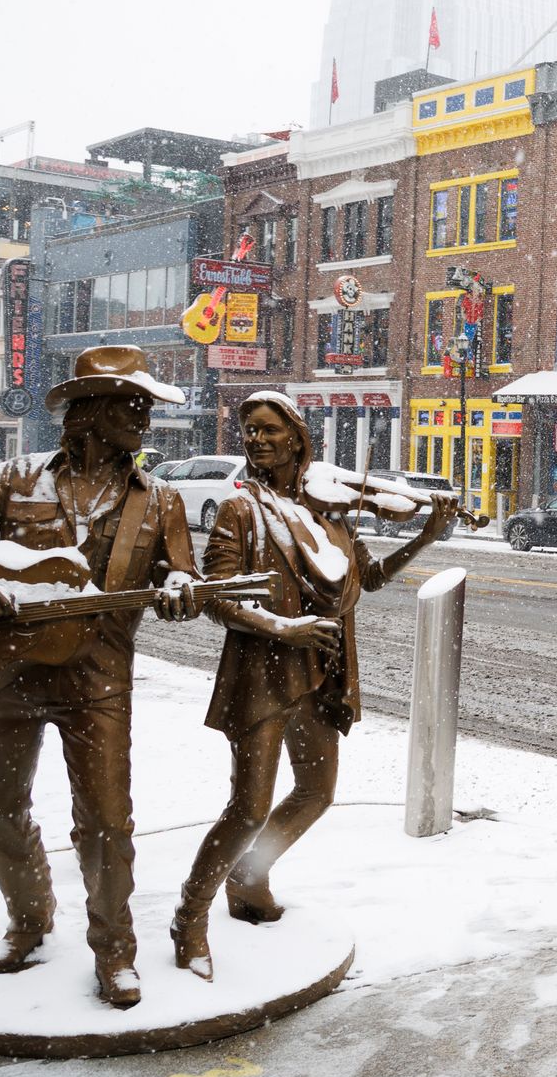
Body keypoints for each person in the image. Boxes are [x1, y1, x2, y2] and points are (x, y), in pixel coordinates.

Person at [0, 345, 200, 1008]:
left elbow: (181, 574)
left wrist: (182, 585)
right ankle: (31, 920)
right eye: (133, 404)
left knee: (105, 823)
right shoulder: (14, 478)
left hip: (98, 680)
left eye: (148, 406)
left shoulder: (161, 501)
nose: (145, 418)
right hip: (8, 674)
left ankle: (115, 950)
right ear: (88, 410)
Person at [171, 391, 458, 981]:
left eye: (269, 430)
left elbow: (368, 580)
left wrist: (425, 537)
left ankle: (250, 876)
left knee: (316, 792)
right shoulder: (240, 510)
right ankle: (190, 915)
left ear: (297, 438)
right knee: (247, 807)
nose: (257, 440)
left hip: (322, 672)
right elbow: (217, 600)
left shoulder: (330, 512)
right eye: (249, 431)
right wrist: (285, 627)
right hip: (262, 675)